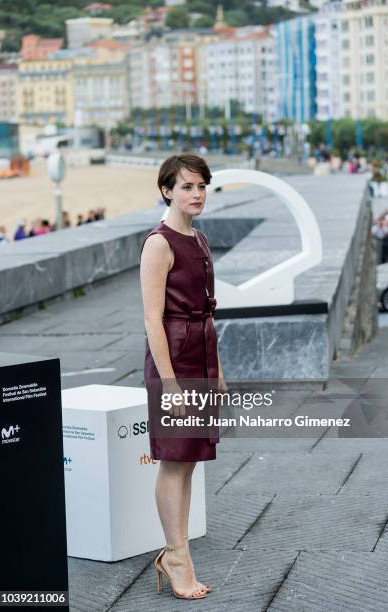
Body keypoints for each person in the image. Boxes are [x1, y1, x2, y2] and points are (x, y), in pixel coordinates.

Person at [140, 154, 227, 600]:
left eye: (201, 186)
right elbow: (154, 320)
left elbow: (207, 310)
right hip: (173, 357)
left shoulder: (200, 237)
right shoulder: (159, 243)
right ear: (167, 190)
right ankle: (176, 556)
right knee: (174, 461)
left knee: (189, 462)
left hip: (200, 354)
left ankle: (178, 552)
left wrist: (218, 371)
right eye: (188, 186)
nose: (196, 194)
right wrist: (170, 384)